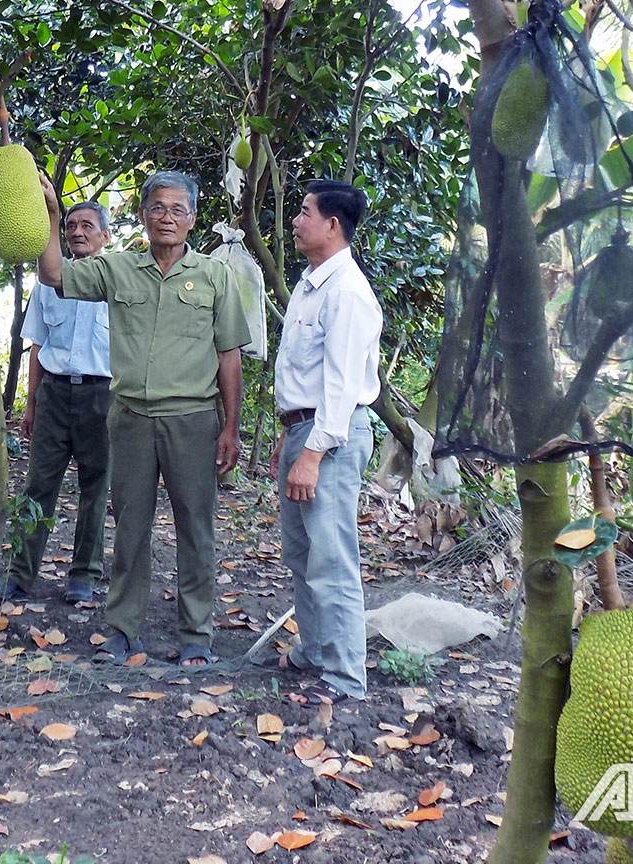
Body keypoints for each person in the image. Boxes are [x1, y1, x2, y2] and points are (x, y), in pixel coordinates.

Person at [37, 171, 250, 667]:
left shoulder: (216, 278)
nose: (167, 218)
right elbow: (54, 274)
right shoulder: (118, 270)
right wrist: (51, 215)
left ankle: (196, 634)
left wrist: (230, 426)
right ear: (143, 215)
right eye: (158, 208)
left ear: (193, 218)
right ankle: (122, 629)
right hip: (130, 418)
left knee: (196, 529)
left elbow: (229, 355)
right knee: (130, 527)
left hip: (193, 420)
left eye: (178, 209)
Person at [262, 179, 382, 707]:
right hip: (303, 431)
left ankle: (345, 677)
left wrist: (311, 452)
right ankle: (314, 649)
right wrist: (289, 440)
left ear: (332, 224)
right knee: (302, 552)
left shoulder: (347, 292)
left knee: (332, 559)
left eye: (304, 212)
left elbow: (340, 385)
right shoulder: (312, 284)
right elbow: (301, 376)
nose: (295, 220)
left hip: (329, 438)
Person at [0, 202, 113, 606]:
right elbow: (37, 345)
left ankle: (84, 573)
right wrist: (31, 404)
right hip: (54, 394)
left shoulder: (117, 281)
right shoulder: (47, 282)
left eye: (88, 225)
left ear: (105, 236)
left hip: (102, 396)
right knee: (39, 484)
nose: (78, 232)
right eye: (71, 225)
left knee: (95, 487)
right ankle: (19, 574)